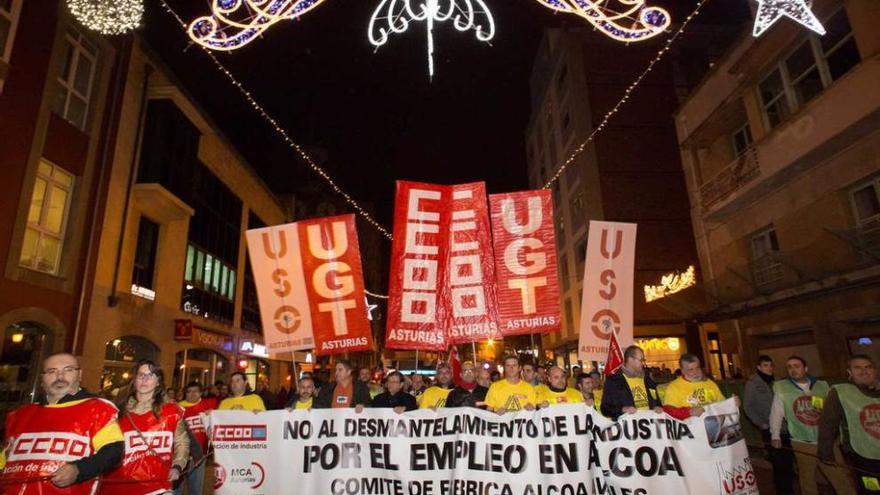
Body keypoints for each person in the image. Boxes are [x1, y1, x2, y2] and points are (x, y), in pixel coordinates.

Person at [0, 353, 124, 494]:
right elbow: (4, 461)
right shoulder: (19, 414)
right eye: (52, 371)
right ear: (42, 379)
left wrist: (79, 469)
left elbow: (114, 452)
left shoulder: (98, 409)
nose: (60, 377)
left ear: (80, 375)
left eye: (68, 370)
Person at [101, 360, 189, 495]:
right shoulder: (117, 412)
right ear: (135, 380)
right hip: (120, 485)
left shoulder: (172, 412)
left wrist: (177, 467)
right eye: (140, 375)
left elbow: (182, 443)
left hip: (158, 486)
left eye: (150, 375)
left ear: (158, 381)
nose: (144, 379)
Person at [770, 356, 844, 495]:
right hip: (801, 440)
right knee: (807, 479)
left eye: (796, 366)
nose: (793, 370)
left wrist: (840, 434)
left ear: (806, 368)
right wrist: (775, 435)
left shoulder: (822, 386)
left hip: (826, 440)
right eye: (789, 367)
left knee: (840, 477)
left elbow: (834, 413)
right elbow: (776, 413)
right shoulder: (782, 388)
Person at [818, 354, 880, 494]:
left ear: (875, 371)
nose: (864, 371)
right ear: (849, 372)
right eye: (857, 368)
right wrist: (826, 452)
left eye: (868, 367)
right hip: (863, 457)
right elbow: (828, 423)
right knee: (872, 490)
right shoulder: (840, 392)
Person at [744, 355, 794, 495]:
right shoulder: (753, 383)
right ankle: (783, 489)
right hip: (768, 427)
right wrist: (761, 423)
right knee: (778, 461)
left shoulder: (778, 382)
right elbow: (748, 406)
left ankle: (788, 487)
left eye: (771, 365)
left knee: (788, 460)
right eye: (765, 365)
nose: (769, 368)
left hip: (785, 426)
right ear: (759, 367)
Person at [601, 345, 663, 421]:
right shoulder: (614, 380)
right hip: (627, 429)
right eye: (641, 360)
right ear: (630, 359)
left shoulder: (648, 378)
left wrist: (657, 407)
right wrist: (622, 409)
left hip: (649, 427)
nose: (643, 363)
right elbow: (605, 408)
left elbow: (657, 401)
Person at [661, 353, 731, 419]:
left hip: (716, 424)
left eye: (697, 368)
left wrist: (731, 403)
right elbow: (668, 411)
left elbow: (722, 403)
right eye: (691, 370)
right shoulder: (674, 387)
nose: (695, 372)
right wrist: (689, 412)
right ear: (682, 371)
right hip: (691, 427)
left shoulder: (709, 383)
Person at [175, 382, 214, 495]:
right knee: (176, 490)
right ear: (185, 393)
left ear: (201, 393)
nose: (192, 394)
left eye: (195, 391)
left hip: (199, 456)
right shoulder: (177, 407)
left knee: (196, 490)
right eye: (189, 391)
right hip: (179, 456)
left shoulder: (209, 405)